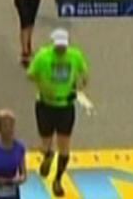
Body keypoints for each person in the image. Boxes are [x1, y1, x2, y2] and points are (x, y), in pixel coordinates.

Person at [27, 28, 89, 198]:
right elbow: (31, 74)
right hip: (45, 105)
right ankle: (48, 156)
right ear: (53, 44)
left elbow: (84, 73)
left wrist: (81, 84)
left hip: (65, 106)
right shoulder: (43, 56)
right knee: (45, 143)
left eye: (64, 46)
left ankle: (58, 180)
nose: (61, 49)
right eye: (58, 46)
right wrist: (43, 85)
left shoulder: (75, 55)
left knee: (65, 146)